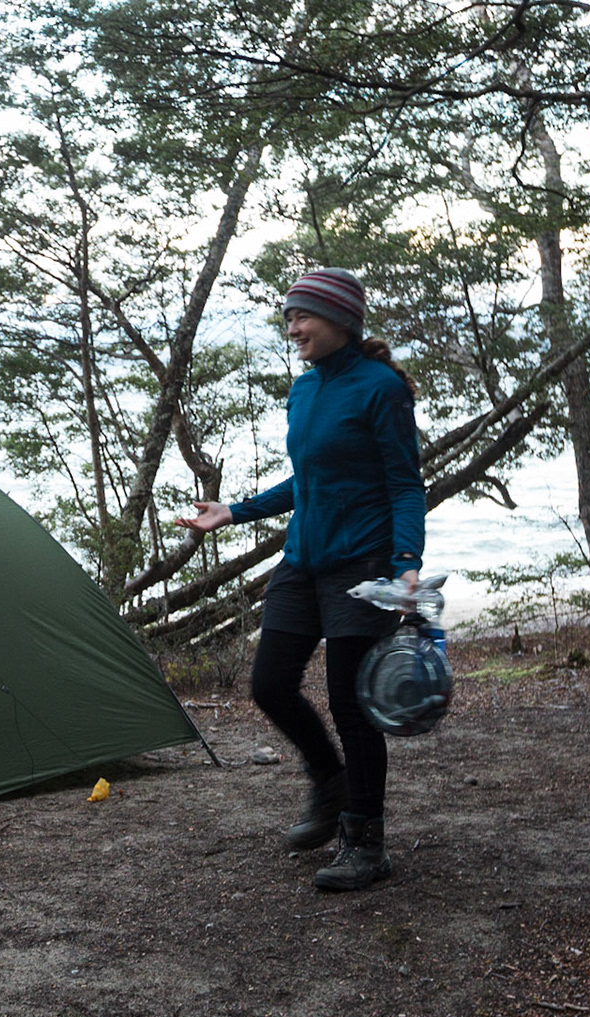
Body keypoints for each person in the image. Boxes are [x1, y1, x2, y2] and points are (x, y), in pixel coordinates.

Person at [177, 267, 424, 891]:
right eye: (288, 318)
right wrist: (235, 510)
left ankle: (365, 841)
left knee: (351, 704)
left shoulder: (381, 389)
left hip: (361, 564)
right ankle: (331, 781)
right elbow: (308, 478)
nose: (292, 329)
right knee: (270, 684)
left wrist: (406, 564)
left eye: (302, 316)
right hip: (302, 561)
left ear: (341, 319)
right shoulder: (305, 390)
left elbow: (404, 484)